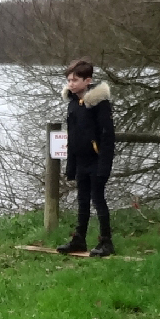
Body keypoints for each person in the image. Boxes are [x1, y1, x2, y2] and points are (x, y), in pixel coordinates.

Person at [57, 59, 116, 258]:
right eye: (69, 80)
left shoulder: (99, 104)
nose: (70, 83)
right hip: (80, 161)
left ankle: (106, 241)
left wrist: (104, 166)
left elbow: (107, 137)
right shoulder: (73, 104)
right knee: (82, 200)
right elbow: (72, 138)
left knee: (98, 199)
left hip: (97, 161)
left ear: (87, 80)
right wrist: (71, 166)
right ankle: (79, 238)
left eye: (75, 80)